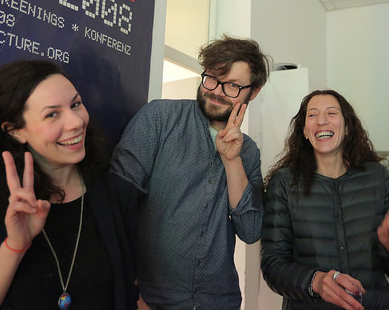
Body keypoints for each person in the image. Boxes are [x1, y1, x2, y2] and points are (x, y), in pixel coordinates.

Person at [0, 59, 139, 309]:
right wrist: (14, 247)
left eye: (76, 104)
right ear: (15, 130)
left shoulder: (117, 196)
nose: (76, 122)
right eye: (52, 114)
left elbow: (131, 293)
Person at [110, 35, 271, 309]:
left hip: (220, 301)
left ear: (253, 92)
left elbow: (250, 230)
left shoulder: (248, 152)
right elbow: (116, 205)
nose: (217, 91)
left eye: (232, 85)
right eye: (211, 78)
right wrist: (133, 292)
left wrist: (232, 161)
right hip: (153, 300)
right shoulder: (159, 118)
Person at [261, 90, 389, 310]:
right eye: (312, 115)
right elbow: (273, 265)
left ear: (347, 127)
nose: (321, 121)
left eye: (331, 113)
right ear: (305, 131)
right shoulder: (284, 183)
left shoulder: (377, 177)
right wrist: (315, 281)